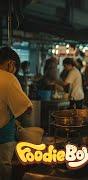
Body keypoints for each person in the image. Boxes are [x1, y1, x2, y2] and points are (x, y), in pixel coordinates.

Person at [0, 47, 32, 180]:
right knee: (3, 168)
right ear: (10, 64)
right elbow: (27, 108)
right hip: (3, 135)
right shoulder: (8, 78)